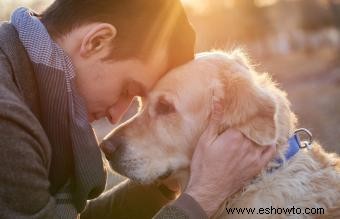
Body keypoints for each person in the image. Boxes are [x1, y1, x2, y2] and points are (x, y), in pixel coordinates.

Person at [0, 0, 275, 218]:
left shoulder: (18, 72)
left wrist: (165, 181)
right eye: (127, 90)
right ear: (96, 42)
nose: (116, 115)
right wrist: (204, 195)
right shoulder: (7, 122)